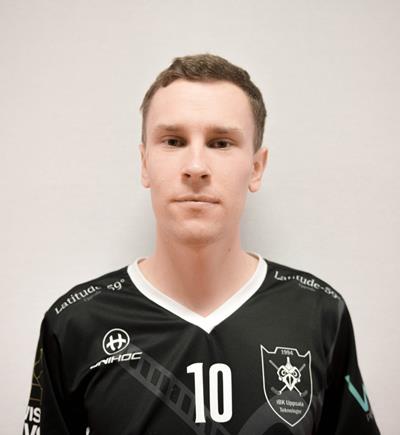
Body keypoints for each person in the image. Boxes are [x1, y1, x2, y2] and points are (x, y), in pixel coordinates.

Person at [23, 53, 380, 435]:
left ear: (256, 167)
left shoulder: (319, 314)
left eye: (221, 143)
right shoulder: (75, 324)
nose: (196, 167)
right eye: (173, 141)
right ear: (144, 162)